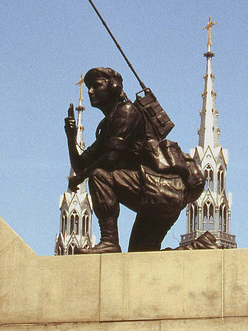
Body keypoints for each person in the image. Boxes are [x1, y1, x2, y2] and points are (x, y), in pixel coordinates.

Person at [65, 67, 186, 253]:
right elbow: (81, 164)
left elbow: (111, 158)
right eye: (89, 87)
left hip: (161, 190)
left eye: (96, 86)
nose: (90, 91)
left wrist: (80, 177)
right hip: (158, 197)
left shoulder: (127, 112)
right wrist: (71, 138)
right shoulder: (109, 124)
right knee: (142, 254)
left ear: (113, 87)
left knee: (99, 176)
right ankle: (198, 246)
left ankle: (109, 241)